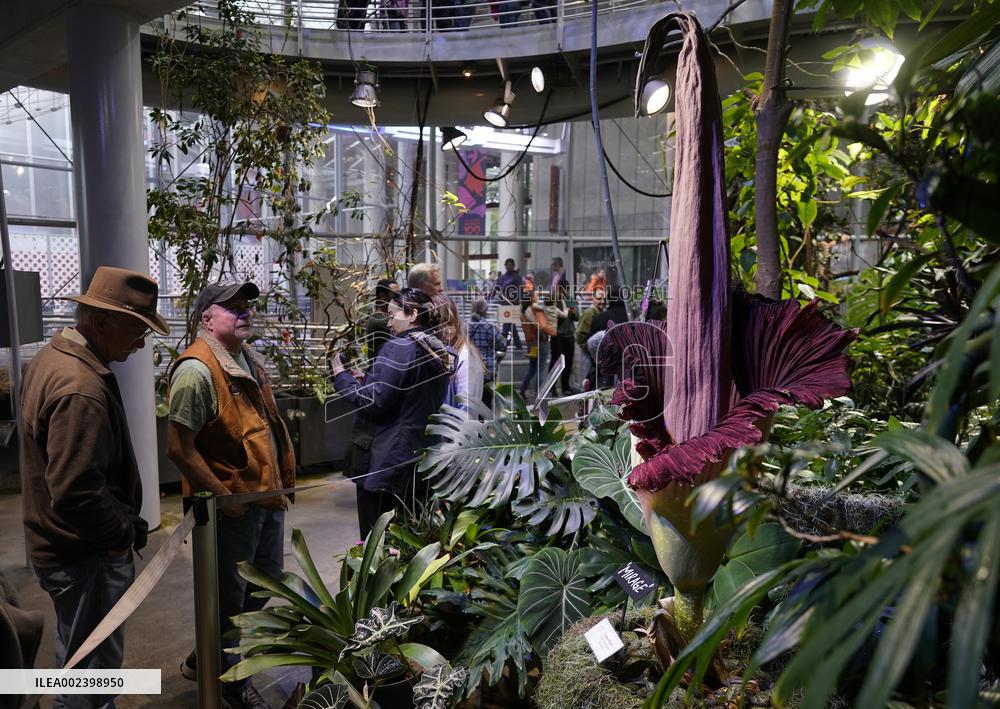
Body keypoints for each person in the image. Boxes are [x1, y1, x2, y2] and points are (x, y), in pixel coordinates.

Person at [21, 266, 169, 709]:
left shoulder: (53, 358)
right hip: (83, 556)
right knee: (91, 673)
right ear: (102, 323)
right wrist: (123, 532)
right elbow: (76, 492)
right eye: (138, 331)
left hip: (63, 549)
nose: (142, 344)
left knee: (78, 659)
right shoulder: (81, 386)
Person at [167, 281, 295, 709]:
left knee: (262, 585)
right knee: (230, 598)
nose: (244, 313)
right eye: (232, 308)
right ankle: (231, 687)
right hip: (232, 510)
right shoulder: (196, 370)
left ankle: (206, 657)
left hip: (265, 500)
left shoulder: (246, 359)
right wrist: (225, 496)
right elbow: (179, 448)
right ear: (207, 318)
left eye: (246, 307)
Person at [333, 288, 453, 536]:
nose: (388, 323)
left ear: (413, 314)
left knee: (377, 542)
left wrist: (341, 376)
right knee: (410, 538)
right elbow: (405, 393)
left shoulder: (400, 347)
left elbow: (374, 402)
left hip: (386, 462)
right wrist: (366, 380)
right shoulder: (436, 348)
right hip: (417, 458)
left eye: (392, 315)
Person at [432, 294, 485, 415]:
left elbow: (466, 412)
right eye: (439, 324)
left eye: (449, 323)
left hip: (456, 431)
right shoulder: (442, 351)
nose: (446, 330)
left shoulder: (465, 357)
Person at [467, 300, 506, 410]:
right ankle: (486, 425)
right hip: (488, 369)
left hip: (471, 369)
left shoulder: (466, 325)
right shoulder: (489, 326)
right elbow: (501, 345)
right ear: (485, 310)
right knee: (487, 400)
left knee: (474, 399)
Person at [518, 290, 556, 401]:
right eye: (535, 295)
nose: (537, 297)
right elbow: (539, 326)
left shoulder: (524, 310)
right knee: (542, 368)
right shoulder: (530, 310)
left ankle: (523, 391)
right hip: (539, 342)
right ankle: (539, 394)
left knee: (533, 369)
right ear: (530, 298)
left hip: (532, 343)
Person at [550, 284, 578, 395]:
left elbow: (576, 317)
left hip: (569, 335)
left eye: (566, 289)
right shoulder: (554, 301)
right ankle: (551, 386)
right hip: (558, 336)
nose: (564, 291)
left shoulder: (570, 301)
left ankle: (565, 386)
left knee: (568, 362)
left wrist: (571, 307)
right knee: (555, 361)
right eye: (561, 289)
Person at [365, 278, 400, 360]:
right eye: (395, 294)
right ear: (382, 296)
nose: (399, 298)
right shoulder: (380, 320)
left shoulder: (384, 317)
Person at [493, 258, 523, 349]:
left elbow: (520, 290)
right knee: (509, 324)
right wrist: (489, 296)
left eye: (510, 264)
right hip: (504, 303)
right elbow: (496, 288)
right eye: (507, 264)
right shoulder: (502, 277)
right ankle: (517, 344)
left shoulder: (516, 277)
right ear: (505, 266)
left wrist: (520, 301)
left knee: (507, 324)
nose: (509, 266)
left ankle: (503, 344)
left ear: (513, 266)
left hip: (512, 303)